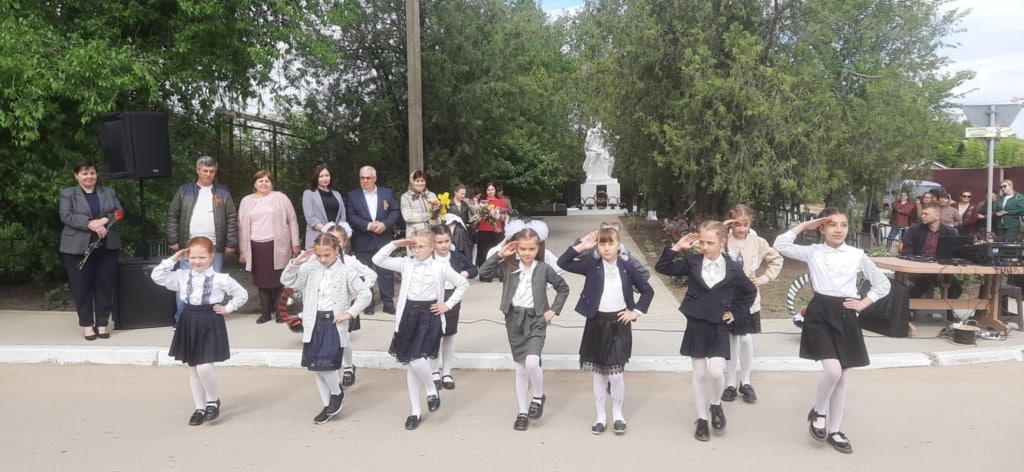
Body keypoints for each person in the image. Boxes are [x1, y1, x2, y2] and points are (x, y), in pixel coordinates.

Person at [773, 208, 891, 454]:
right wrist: (804, 226)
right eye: (832, 224)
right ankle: (819, 412)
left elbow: (882, 284)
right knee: (833, 370)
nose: (838, 230)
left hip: (846, 314)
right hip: (820, 313)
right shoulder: (813, 252)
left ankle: (835, 430)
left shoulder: (857, 255)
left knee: (842, 375)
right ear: (823, 228)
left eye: (843, 225)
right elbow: (781, 245)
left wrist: (863, 303)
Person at [654, 221, 757, 442]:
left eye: (710, 242)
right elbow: (663, 267)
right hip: (696, 323)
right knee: (700, 373)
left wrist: (736, 313)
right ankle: (701, 419)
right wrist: (677, 247)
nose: (704, 247)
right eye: (701, 242)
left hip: (719, 324)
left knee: (716, 372)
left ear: (722, 242)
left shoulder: (733, 268)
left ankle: (715, 404)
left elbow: (749, 291)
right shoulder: (692, 262)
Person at [558, 228, 654, 435]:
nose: (606, 248)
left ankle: (618, 413)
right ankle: (600, 416)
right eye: (602, 244)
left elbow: (648, 291)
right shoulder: (591, 265)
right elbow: (563, 263)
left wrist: (635, 312)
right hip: (596, 323)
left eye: (611, 243)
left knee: (616, 375)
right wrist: (581, 246)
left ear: (619, 245)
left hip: (619, 324)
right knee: (600, 375)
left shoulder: (627, 266)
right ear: (597, 246)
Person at [372, 229, 470, 430]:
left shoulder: (440, 267)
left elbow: (462, 284)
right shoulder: (406, 263)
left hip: (429, 315)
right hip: (409, 314)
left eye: (421, 246)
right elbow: (378, 259)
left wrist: (447, 305)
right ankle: (415, 410)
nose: (416, 250)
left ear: (432, 247)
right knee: (411, 364)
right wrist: (395, 244)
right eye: (413, 246)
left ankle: (431, 389)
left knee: (416, 358)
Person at [151, 236, 248, 426]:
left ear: (212, 256)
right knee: (193, 367)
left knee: (204, 366)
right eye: (192, 257)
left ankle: (212, 400)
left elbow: (241, 294)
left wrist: (228, 308)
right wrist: (173, 259)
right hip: (188, 320)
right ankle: (199, 408)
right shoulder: (181, 276)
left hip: (210, 320)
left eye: (202, 257)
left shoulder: (221, 279)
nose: (196, 261)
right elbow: (157, 276)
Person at [480, 227, 570, 431]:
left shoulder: (544, 268)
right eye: (523, 249)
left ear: (538, 248)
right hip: (514, 319)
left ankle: (538, 396)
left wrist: (554, 310)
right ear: (516, 248)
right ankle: (522, 412)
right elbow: (483, 273)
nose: (527, 253)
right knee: (521, 369)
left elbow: (563, 288)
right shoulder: (508, 266)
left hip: (537, 319)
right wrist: (500, 254)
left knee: (532, 362)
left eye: (531, 248)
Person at [280, 233, 372, 425]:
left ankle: (337, 394)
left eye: (327, 255)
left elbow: (365, 294)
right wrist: (296, 263)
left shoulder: (346, 272)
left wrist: (350, 313)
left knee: (326, 364)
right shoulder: (310, 268)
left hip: (334, 323)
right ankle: (327, 404)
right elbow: (288, 281)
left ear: (337, 250)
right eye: (319, 255)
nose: (322, 259)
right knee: (316, 366)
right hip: (314, 322)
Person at [720, 205, 783, 404]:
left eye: (745, 224)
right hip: (727, 299)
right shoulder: (723, 240)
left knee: (746, 339)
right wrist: (722, 228)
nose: (741, 228)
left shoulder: (758, 242)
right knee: (731, 340)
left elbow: (776, 259)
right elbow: (702, 246)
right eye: (737, 224)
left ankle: (745, 381)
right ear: (731, 223)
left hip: (749, 300)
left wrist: (764, 278)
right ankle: (730, 382)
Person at [166, 156, 238, 325]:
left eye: (212, 171)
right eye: (205, 171)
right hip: (188, 246)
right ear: (197, 170)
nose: (208, 174)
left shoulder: (223, 193)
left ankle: (209, 319)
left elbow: (231, 218)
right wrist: (173, 239)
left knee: (214, 283)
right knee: (186, 283)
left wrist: (230, 243)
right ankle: (181, 319)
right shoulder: (184, 191)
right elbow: (173, 215)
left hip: (214, 247)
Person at [59, 161, 124, 340]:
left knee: (105, 285)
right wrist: (90, 224)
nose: (89, 177)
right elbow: (66, 215)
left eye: (92, 173)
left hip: (107, 247)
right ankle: (87, 325)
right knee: (82, 287)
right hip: (77, 248)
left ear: (97, 174)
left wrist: (104, 221)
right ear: (76, 176)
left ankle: (102, 324)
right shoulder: (68, 193)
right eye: (84, 173)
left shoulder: (108, 192)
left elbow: (119, 212)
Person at [238, 170, 301, 324]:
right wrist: (243, 250)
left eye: (267, 181)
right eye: (260, 181)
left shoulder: (281, 198)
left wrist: (295, 243)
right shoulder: (246, 201)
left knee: (279, 281)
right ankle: (265, 313)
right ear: (254, 184)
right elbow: (241, 226)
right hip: (256, 247)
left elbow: (292, 220)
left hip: (278, 246)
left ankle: (280, 313)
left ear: (272, 183)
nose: (264, 183)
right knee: (262, 281)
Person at [323, 222, 377, 387]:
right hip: (327, 306)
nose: (335, 244)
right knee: (329, 338)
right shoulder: (321, 261)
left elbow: (371, 274)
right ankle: (333, 369)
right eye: (331, 240)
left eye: (338, 241)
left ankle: (348, 366)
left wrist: (359, 292)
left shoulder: (350, 262)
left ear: (345, 242)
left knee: (343, 336)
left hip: (347, 306)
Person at [429, 224, 478, 390]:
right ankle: (434, 372)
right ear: (432, 242)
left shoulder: (456, 256)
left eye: (447, 241)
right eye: (439, 242)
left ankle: (447, 372)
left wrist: (463, 274)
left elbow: (473, 269)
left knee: (449, 335)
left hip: (452, 297)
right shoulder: (428, 258)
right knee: (435, 336)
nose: (444, 245)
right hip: (433, 298)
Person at [347, 166, 401, 314]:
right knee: (364, 272)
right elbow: (351, 216)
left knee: (386, 272)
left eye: (368, 178)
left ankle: (388, 303)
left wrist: (385, 224)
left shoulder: (387, 193)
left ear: (375, 178)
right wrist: (369, 226)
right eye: (362, 178)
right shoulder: (352, 195)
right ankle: (368, 304)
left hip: (383, 238)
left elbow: (395, 210)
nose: (365, 180)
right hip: (362, 240)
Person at [901, 203, 963, 320]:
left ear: (936, 216)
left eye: (926, 214)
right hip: (920, 269)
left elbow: (956, 253)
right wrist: (917, 261)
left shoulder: (951, 232)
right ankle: (907, 310)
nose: (922, 216)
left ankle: (948, 311)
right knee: (922, 285)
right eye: (922, 213)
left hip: (942, 270)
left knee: (956, 289)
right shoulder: (915, 230)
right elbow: (907, 251)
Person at [301, 164, 347, 249]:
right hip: (316, 239)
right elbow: (310, 218)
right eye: (321, 176)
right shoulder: (308, 193)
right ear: (316, 178)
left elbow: (342, 216)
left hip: (336, 240)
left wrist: (337, 232)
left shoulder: (337, 194)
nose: (325, 178)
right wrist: (328, 230)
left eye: (327, 175)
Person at [474, 182, 508, 271]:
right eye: (488, 190)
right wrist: (479, 216)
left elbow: (504, 217)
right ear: (486, 191)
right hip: (483, 230)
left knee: (498, 251)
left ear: (495, 190)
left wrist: (498, 216)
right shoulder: (482, 202)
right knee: (484, 252)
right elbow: (477, 216)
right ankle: (483, 271)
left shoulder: (500, 202)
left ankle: (498, 270)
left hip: (497, 230)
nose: (490, 191)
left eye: (492, 189)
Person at [400, 169, 438, 234]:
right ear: (412, 182)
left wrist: (438, 210)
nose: (420, 183)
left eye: (422, 181)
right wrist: (429, 216)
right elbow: (407, 216)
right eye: (417, 181)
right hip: (414, 233)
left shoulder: (432, 195)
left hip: (432, 232)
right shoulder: (405, 197)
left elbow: (437, 216)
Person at [448, 183, 474, 261]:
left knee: (467, 256)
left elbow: (468, 220)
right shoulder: (448, 203)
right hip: (452, 233)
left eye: (464, 194)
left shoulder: (465, 204)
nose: (463, 196)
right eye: (461, 194)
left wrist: (475, 220)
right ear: (455, 192)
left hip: (464, 233)